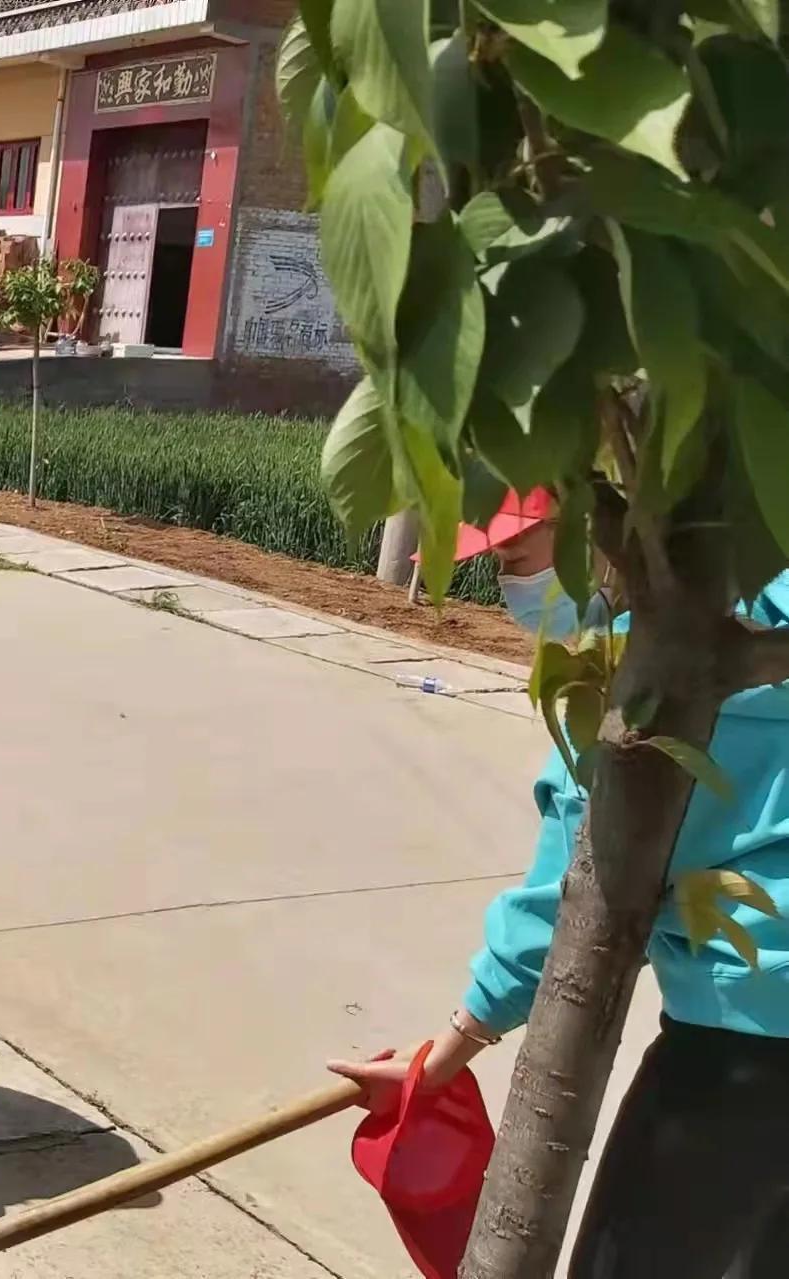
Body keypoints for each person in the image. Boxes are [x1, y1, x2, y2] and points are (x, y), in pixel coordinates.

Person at [329, 494, 789, 1276]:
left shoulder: (641, 681)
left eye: (516, 557)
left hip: (742, 1054)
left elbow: (575, 893)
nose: (511, 584)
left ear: (597, 528)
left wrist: (444, 1050)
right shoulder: (764, 600)